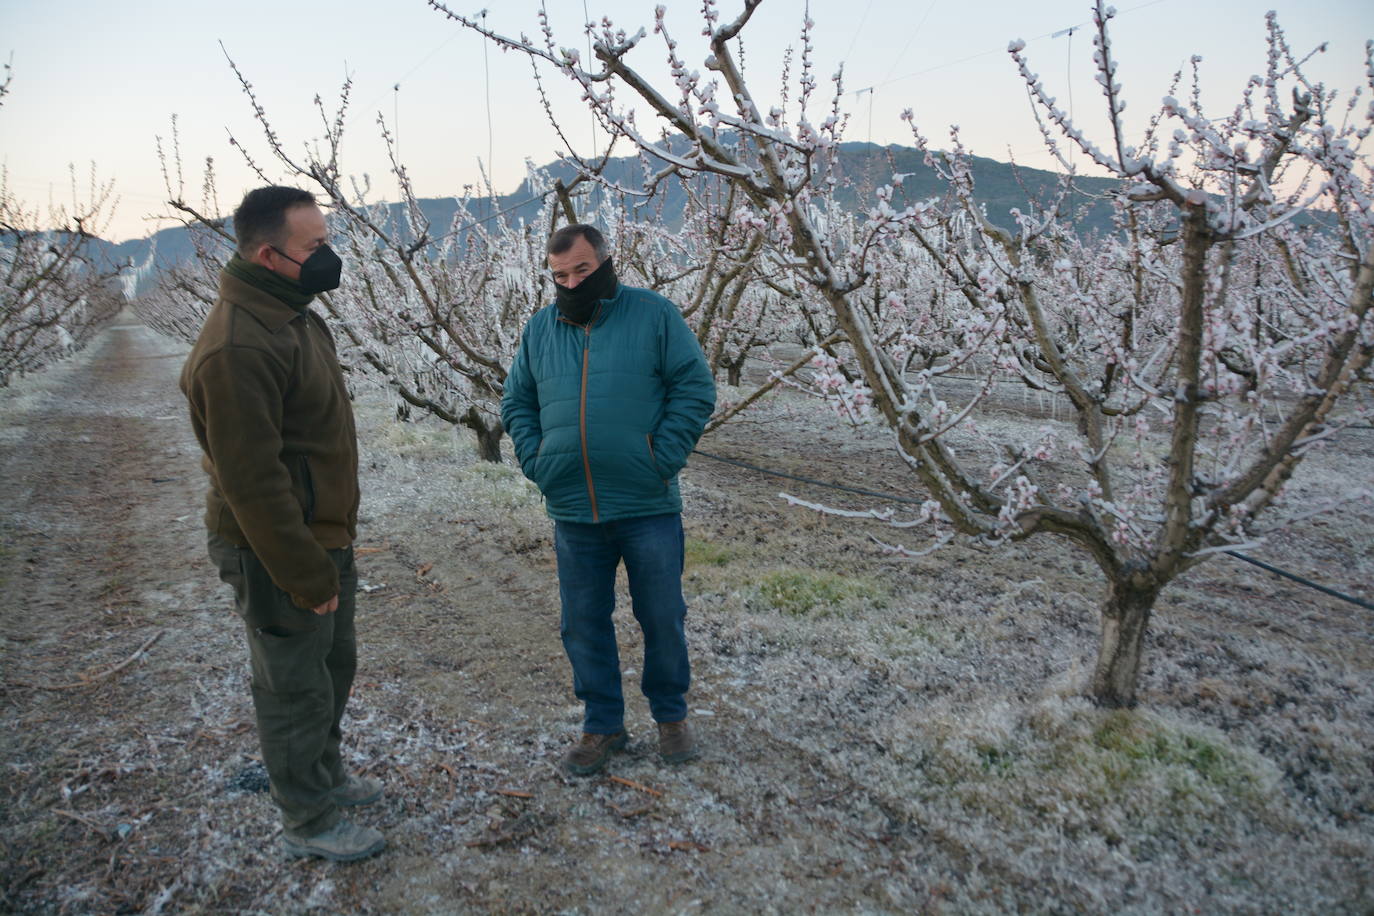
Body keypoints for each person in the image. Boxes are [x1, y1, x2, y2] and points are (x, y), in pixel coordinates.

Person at [180, 186, 384, 862]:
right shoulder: (238, 347)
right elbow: (252, 484)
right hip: (276, 548)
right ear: (269, 256)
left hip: (321, 533)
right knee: (293, 685)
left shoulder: (292, 315)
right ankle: (307, 819)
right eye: (314, 246)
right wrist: (303, 573)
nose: (328, 255)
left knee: (332, 667)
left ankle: (324, 776)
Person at [501, 223, 717, 776]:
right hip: (574, 507)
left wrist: (661, 456)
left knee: (662, 615)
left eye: (582, 270)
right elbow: (517, 400)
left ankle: (671, 716)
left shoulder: (653, 315)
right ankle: (602, 725)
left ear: (605, 262)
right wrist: (538, 460)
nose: (572, 283)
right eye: (560, 276)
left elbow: (694, 387)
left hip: (647, 503)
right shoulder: (540, 329)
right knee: (582, 622)